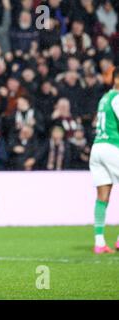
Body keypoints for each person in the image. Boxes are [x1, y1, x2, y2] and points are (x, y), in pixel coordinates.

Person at [89, 67, 119, 254]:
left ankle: (99, 242)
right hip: (112, 147)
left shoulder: (105, 97)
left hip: (97, 147)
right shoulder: (117, 97)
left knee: (102, 196)